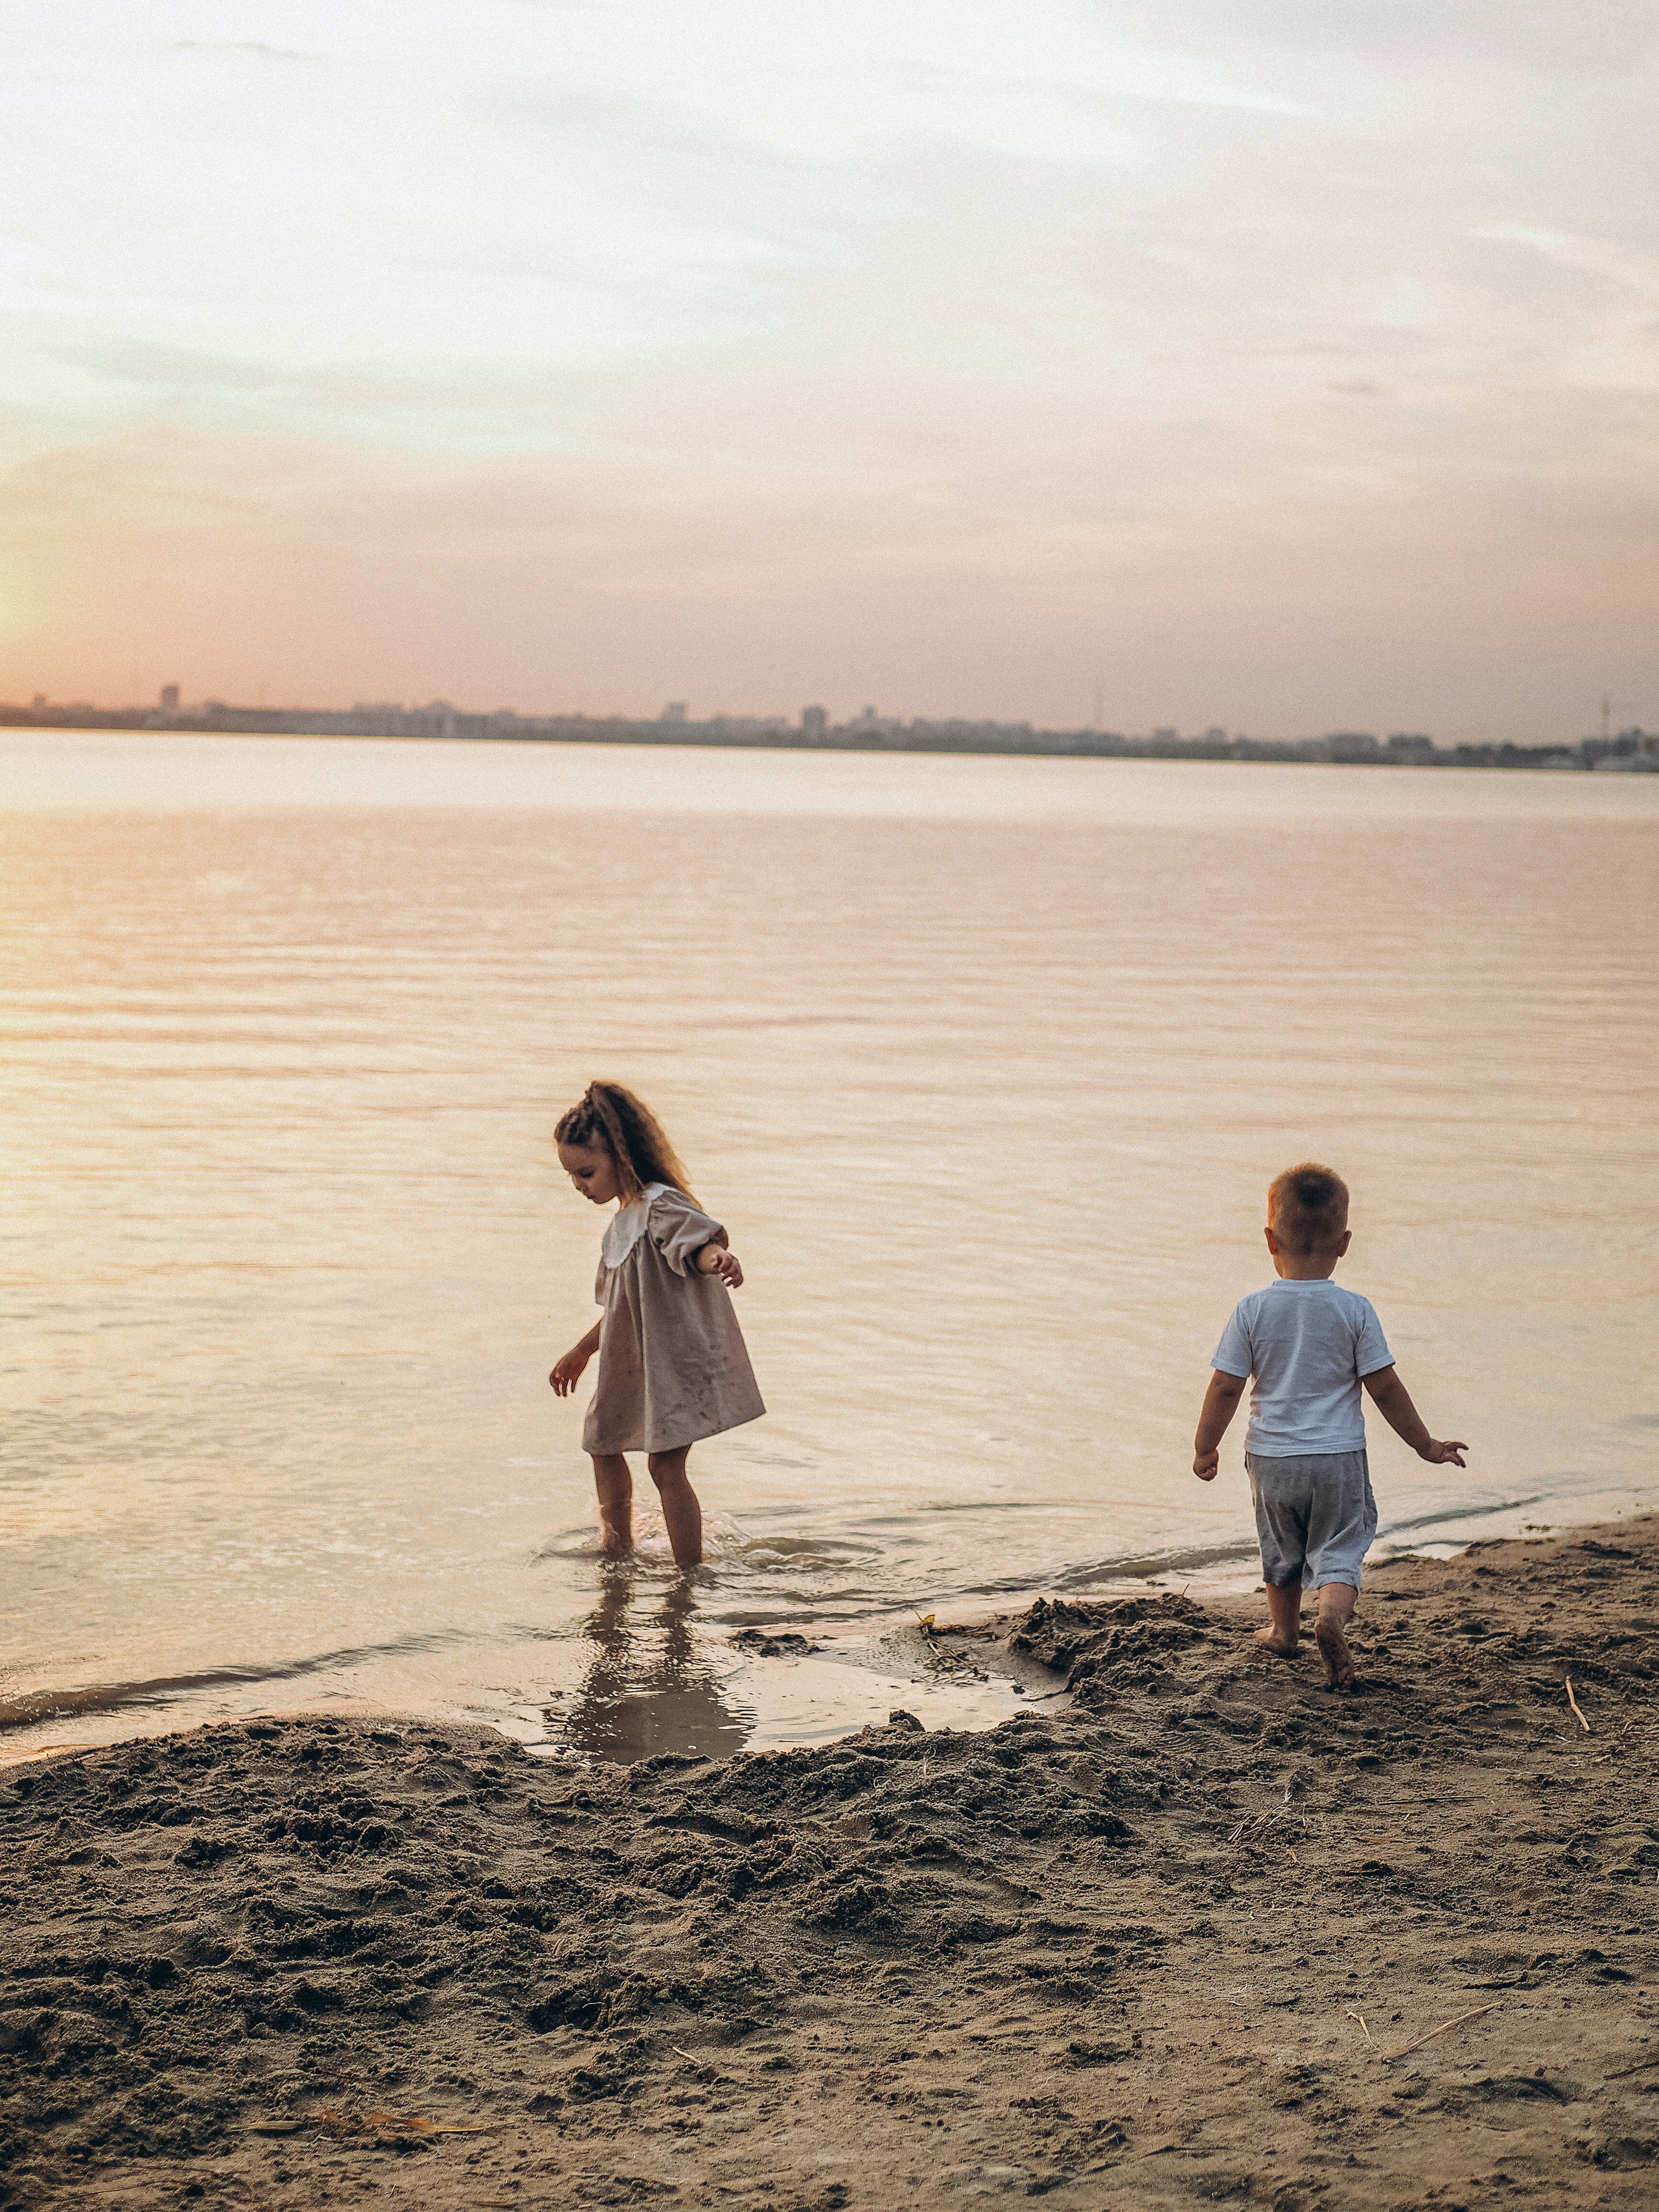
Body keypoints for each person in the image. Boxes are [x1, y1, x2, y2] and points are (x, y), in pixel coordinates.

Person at [1192, 1162, 1467, 1689]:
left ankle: (1283, 1630)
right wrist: (1425, 1444)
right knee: (1339, 1547)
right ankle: (1332, 1618)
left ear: (1270, 1239)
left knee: (1282, 1547)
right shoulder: (1354, 1310)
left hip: (1272, 1460)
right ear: (1344, 1243)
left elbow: (1225, 1386)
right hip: (1337, 1458)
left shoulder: (1251, 1310)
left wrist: (1206, 1446)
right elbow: (1385, 1387)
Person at [548, 1081, 763, 1569]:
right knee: (602, 1441)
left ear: (622, 1157)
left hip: (669, 1365)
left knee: (664, 1464)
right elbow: (621, 1309)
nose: (580, 1185)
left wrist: (718, 1258)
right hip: (632, 1366)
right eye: (571, 1176)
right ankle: (617, 1551)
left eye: (586, 1171)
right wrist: (581, 1351)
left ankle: (689, 1571)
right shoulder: (623, 1223)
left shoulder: (661, 1205)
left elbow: (699, 1243)